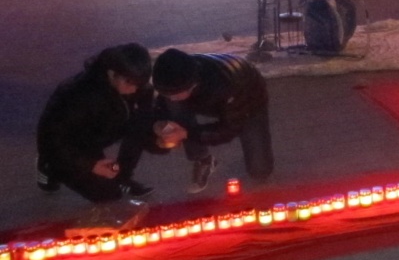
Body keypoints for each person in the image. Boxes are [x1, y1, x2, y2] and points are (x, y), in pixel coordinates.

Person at [36, 43, 157, 203]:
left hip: (100, 132)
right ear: (112, 73)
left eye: (139, 84)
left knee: (147, 130)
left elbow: (141, 125)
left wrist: (159, 133)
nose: (134, 90)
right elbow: (50, 139)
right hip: (70, 143)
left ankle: (121, 177)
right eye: (129, 83)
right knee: (106, 194)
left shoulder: (138, 86)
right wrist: (90, 165)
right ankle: (49, 166)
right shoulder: (78, 95)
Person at [152, 49, 273, 194]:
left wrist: (186, 134)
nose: (171, 98)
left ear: (192, 85)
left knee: (259, 169)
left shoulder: (227, 86)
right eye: (166, 94)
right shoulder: (175, 75)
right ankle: (204, 160)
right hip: (206, 95)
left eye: (175, 95)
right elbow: (162, 104)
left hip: (248, 96)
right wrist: (160, 123)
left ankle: (260, 170)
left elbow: (228, 130)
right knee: (175, 109)